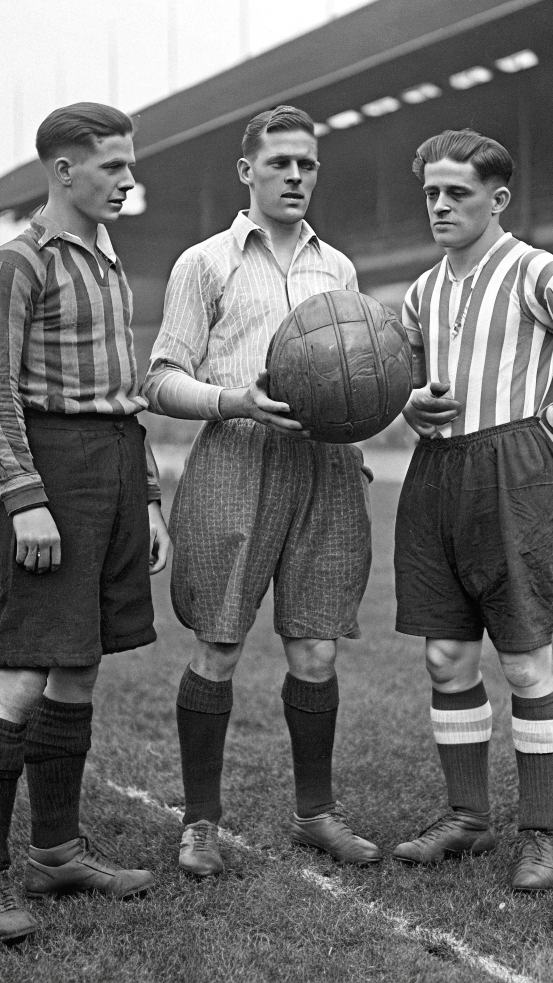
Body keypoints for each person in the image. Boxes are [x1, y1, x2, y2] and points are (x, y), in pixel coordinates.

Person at [392, 129, 553, 891]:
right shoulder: (420, 291)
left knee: (526, 661)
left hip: (513, 471)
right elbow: (401, 382)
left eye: (456, 193)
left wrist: (547, 430)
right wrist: (411, 404)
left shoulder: (538, 272)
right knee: (445, 656)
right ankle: (466, 817)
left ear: (497, 199)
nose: (439, 205)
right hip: (436, 474)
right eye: (431, 192)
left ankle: (537, 835)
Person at [143, 104, 379, 877]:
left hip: (325, 466)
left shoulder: (336, 269)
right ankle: (201, 823)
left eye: (307, 163)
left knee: (314, 647)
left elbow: (359, 369)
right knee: (220, 642)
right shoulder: (204, 263)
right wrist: (234, 400)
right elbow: (160, 381)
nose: (295, 176)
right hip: (237, 454)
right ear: (247, 171)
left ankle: (315, 814)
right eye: (280, 163)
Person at [0, 102, 171, 943]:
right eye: (113, 166)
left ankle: (55, 852)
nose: (128, 179)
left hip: (115, 469)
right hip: (50, 473)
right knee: (19, 675)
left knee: (78, 670)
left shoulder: (110, 263)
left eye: (129, 163)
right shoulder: (16, 264)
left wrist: (148, 496)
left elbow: (124, 396)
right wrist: (27, 498)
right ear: (63, 170)